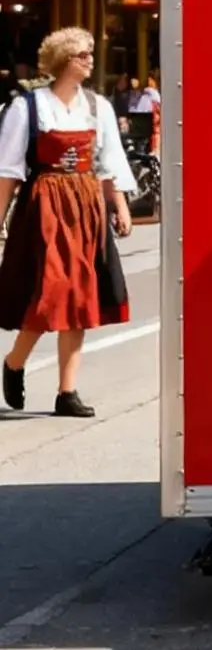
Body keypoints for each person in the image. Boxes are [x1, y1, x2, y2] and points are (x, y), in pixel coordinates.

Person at [0, 26, 134, 419]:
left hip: (86, 206)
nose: (90, 60)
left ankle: (67, 391)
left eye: (90, 53)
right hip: (45, 207)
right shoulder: (28, 107)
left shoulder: (98, 106)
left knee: (78, 298)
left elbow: (109, 163)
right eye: (82, 54)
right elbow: (8, 170)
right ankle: (14, 361)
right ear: (62, 61)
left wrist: (120, 206)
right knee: (52, 294)